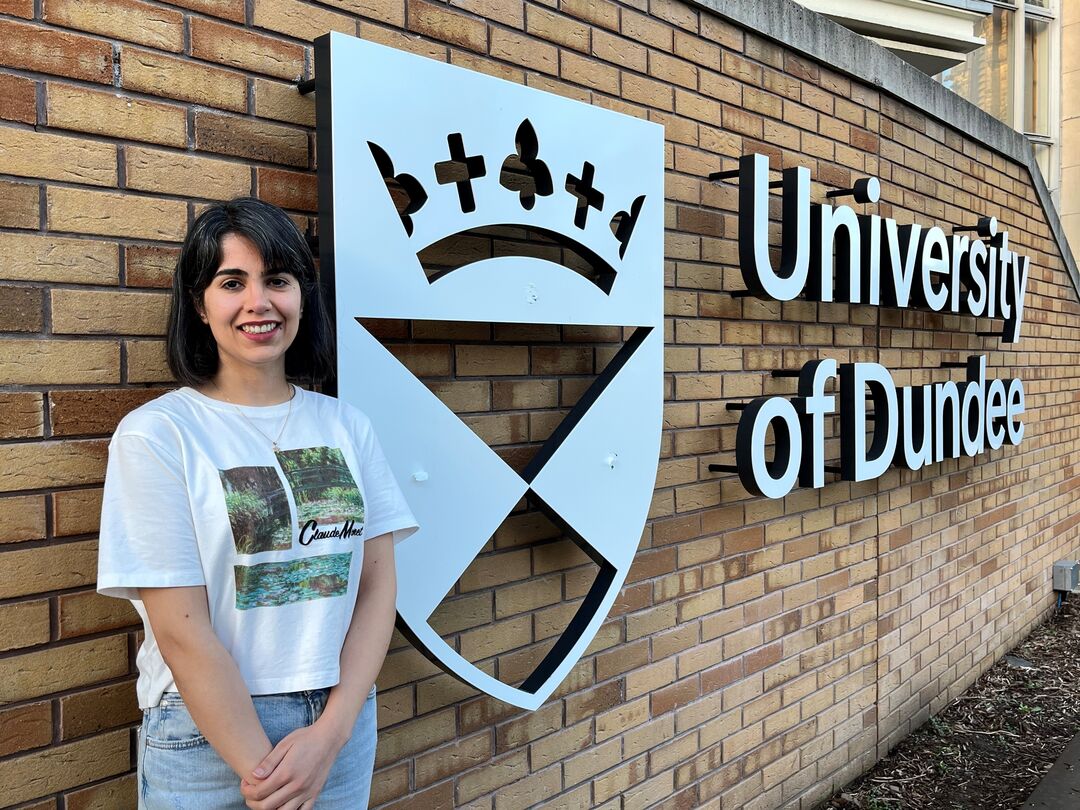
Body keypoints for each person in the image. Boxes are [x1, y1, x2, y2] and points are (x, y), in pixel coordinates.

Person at [97, 197, 417, 809]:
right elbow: (179, 628)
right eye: (232, 282)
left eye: (277, 280)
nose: (258, 302)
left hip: (339, 719)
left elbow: (377, 588)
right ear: (199, 303)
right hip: (205, 733)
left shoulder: (346, 427)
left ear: (302, 296)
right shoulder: (159, 434)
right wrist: (266, 773)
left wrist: (332, 732)